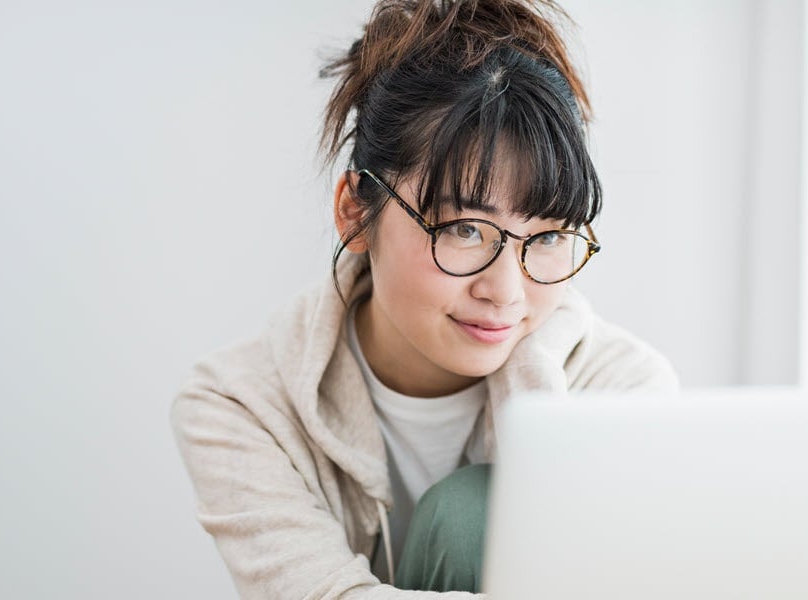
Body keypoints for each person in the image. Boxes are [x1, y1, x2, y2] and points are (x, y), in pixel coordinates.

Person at [169, 0, 678, 598]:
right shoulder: (245, 402)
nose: (505, 292)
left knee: (473, 514)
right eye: (463, 230)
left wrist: (538, 401)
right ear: (355, 212)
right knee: (469, 522)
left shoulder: (619, 390)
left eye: (547, 237)